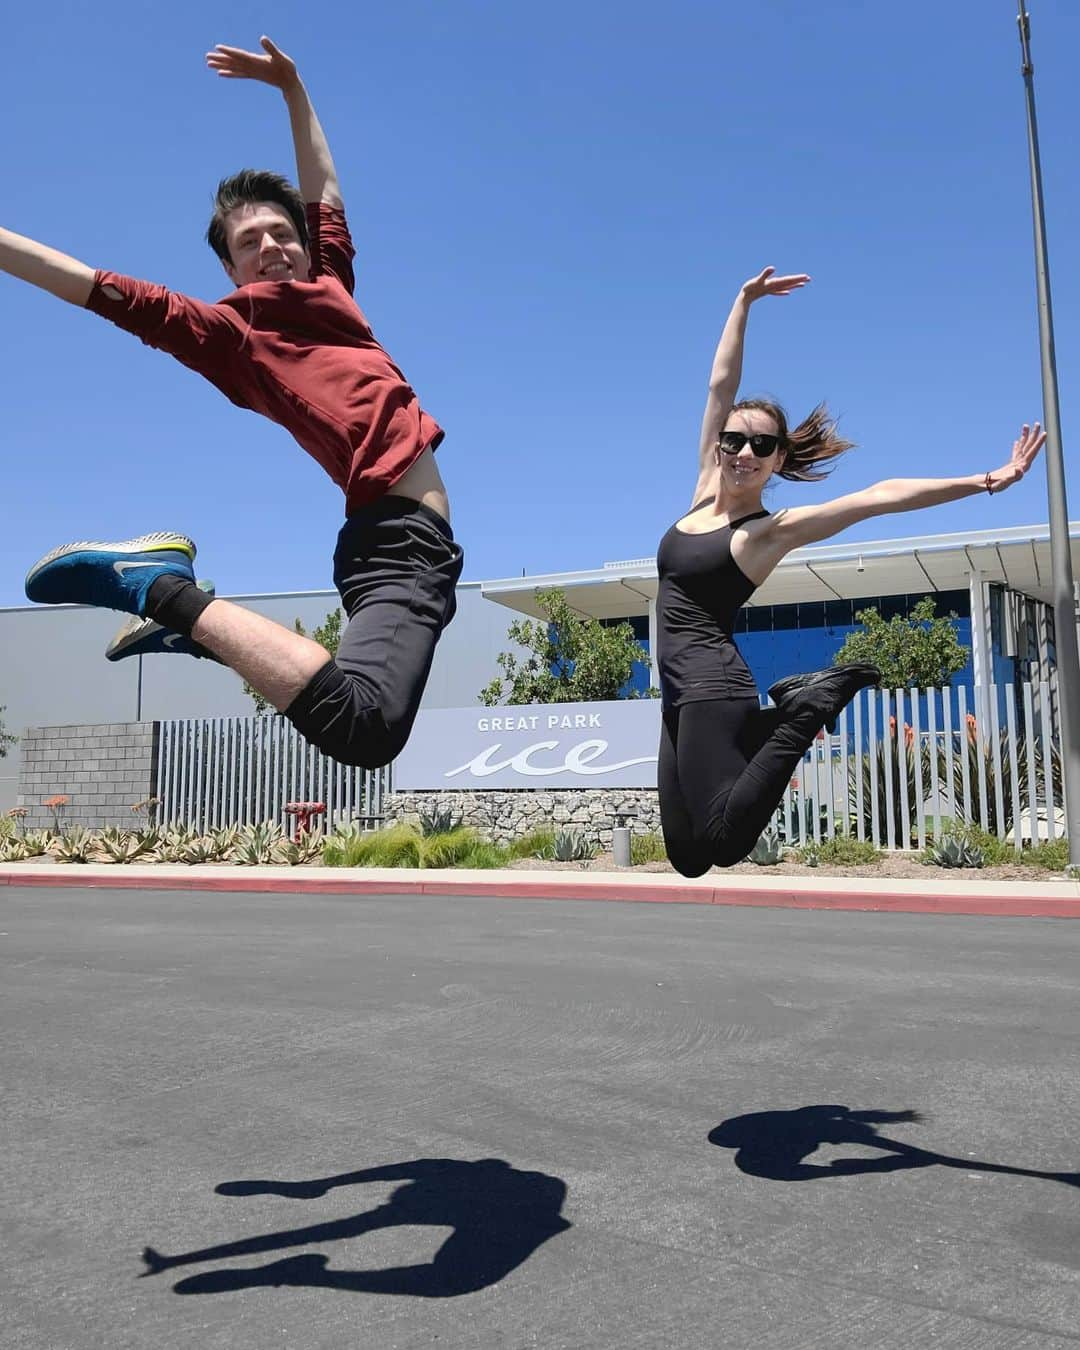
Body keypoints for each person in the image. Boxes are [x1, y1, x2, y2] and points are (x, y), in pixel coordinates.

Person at [8, 38, 461, 769]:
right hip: (398, 539)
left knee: (365, 720)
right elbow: (95, 287)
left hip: (401, 545)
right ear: (230, 267)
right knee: (364, 727)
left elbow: (325, 185)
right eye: (252, 242)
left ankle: (191, 628)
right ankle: (158, 590)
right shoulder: (231, 333)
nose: (274, 245)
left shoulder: (331, 284)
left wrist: (292, 88)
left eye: (285, 233)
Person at [656, 267, 1045, 875]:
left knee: (724, 844)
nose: (744, 453)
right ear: (719, 445)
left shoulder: (765, 533)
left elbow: (879, 496)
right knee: (685, 855)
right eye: (736, 440)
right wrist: (743, 302)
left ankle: (806, 709)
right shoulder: (703, 489)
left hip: (713, 686)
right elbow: (719, 385)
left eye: (762, 447)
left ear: (779, 460)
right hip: (676, 691)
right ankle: (786, 709)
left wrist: (987, 480)